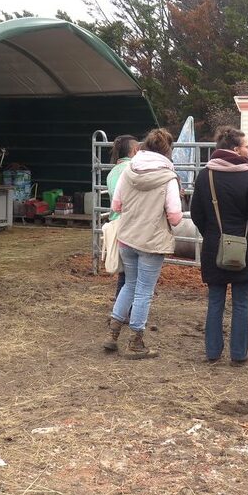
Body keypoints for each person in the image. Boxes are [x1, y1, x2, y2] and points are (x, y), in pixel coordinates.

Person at [190, 127, 248, 366]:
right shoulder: (247, 176)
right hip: (243, 247)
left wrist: (212, 234)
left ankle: (212, 352)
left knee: (215, 301)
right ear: (235, 149)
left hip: (214, 246)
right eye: (246, 146)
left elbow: (196, 213)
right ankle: (238, 354)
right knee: (241, 303)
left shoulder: (205, 175)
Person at [103, 128, 182, 359]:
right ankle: (136, 342)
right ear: (168, 150)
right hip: (152, 241)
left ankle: (112, 334)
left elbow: (116, 206)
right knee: (144, 291)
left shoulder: (128, 170)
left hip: (127, 237)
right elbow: (176, 217)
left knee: (129, 284)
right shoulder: (168, 178)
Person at [106, 135, 139, 303]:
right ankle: (127, 309)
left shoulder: (113, 171)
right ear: (134, 150)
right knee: (133, 274)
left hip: (117, 222)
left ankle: (121, 306)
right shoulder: (133, 168)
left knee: (125, 272)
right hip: (131, 223)